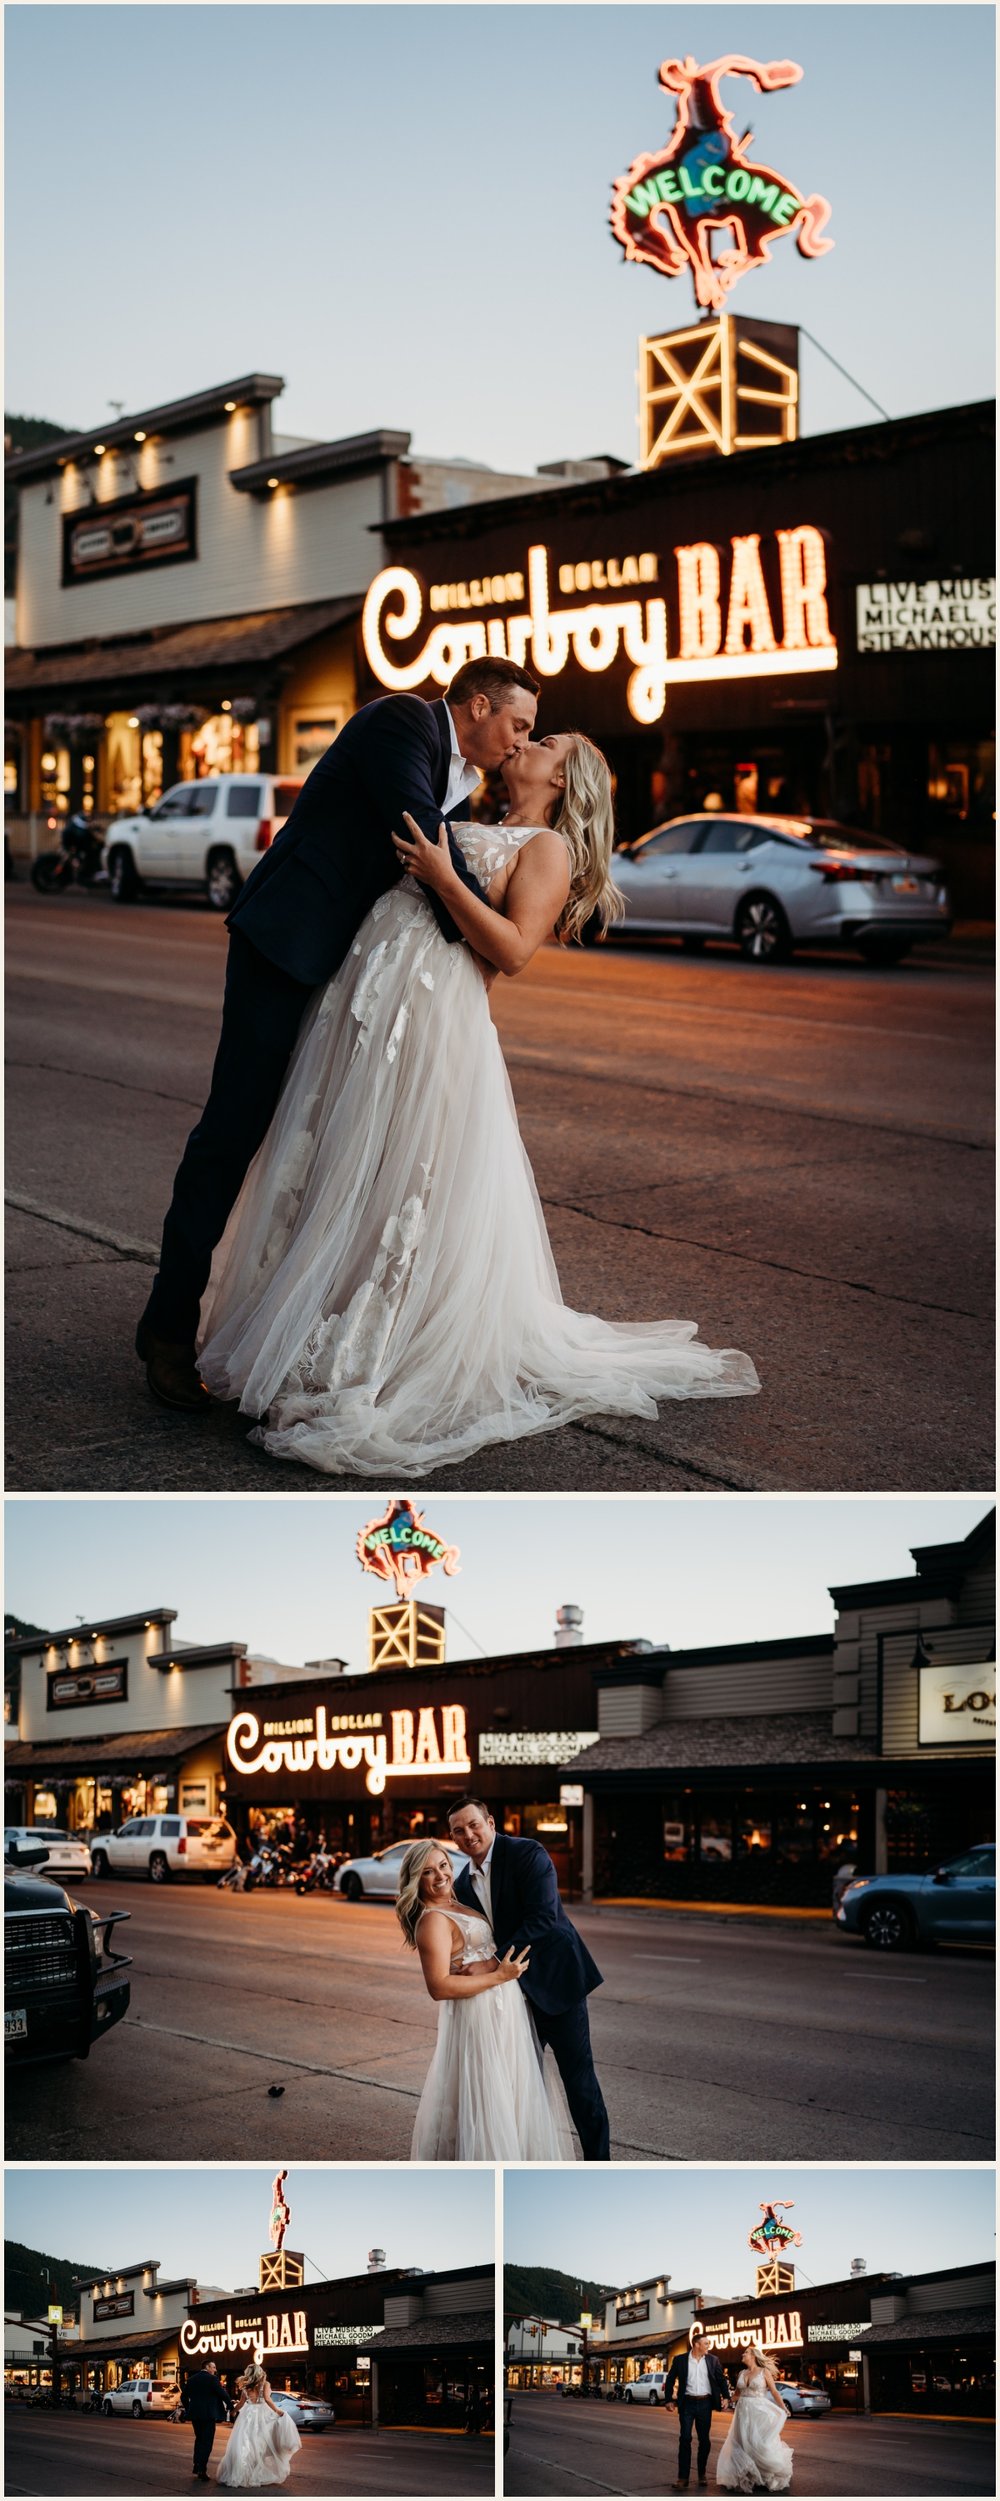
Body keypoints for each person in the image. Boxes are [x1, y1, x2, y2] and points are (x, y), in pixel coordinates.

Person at [195, 721, 759, 1477]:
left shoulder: (547, 849)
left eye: (544, 742)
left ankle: (370, 1345)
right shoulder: (477, 819)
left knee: (400, 1180)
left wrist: (442, 874)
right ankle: (301, 1316)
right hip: (369, 1000)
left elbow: (516, 950)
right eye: (526, 729)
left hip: (431, 1016)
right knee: (340, 1165)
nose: (526, 744)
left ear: (563, 780)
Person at [136, 657, 538, 1411]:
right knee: (235, 1130)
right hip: (286, 945)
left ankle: (269, 1321)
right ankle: (164, 1326)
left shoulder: (460, 769)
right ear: (477, 705)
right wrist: (495, 936)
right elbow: (421, 841)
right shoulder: (401, 723)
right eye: (517, 725)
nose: (519, 744)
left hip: (343, 965)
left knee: (311, 1139)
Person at [447, 1795, 610, 2161]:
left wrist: (490, 1963)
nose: (468, 1834)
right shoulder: (462, 1884)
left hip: (557, 1986)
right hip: (511, 1999)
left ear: (490, 1823)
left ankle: (600, 2168)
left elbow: (543, 1918)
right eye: (459, 1831)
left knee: (581, 2087)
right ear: (454, 1839)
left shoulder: (527, 1853)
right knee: (523, 2088)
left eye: (474, 1824)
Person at [396, 1837, 575, 2160]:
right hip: (477, 2017)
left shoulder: (459, 1902)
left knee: (511, 2093)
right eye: (427, 1872)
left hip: (505, 2014)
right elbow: (439, 1987)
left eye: (443, 1865)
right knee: (486, 2098)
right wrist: (499, 1976)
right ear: (414, 1880)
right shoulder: (433, 1920)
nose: (440, 1876)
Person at [716, 2344, 793, 2494]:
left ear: (753, 2356)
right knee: (742, 2443)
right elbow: (737, 2394)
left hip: (759, 2411)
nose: (742, 2354)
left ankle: (764, 2475)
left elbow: (774, 2392)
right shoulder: (742, 2373)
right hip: (742, 2412)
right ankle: (749, 2475)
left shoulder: (764, 2372)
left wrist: (783, 2407)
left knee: (758, 2442)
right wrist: (727, 2401)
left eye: (746, 2352)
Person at [664, 2330, 732, 2492]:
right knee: (685, 2438)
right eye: (706, 2343)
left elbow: (721, 2380)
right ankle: (683, 2478)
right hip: (687, 2404)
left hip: (705, 2404)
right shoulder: (680, 2360)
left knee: (704, 2440)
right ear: (696, 2344)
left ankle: (701, 2473)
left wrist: (726, 2397)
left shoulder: (713, 2360)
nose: (709, 2346)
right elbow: (670, 2378)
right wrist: (668, 2400)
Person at [216, 2360, 301, 2489]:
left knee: (245, 2443)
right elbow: (267, 2399)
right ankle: (254, 2474)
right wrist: (277, 2411)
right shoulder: (265, 2384)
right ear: (259, 2372)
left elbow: (241, 2403)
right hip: (262, 2415)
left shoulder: (246, 2386)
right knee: (261, 2445)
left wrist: (233, 2412)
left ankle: (243, 2473)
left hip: (247, 2414)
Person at [182, 2358, 229, 2484]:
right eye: (213, 2367)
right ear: (207, 2367)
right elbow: (222, 2394)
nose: (215, 2370)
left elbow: (183, 2397)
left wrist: (189, 2409)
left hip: (195, 2416)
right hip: (208, 2416)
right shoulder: (212, 2379)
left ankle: (197, 2466)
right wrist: (231, 2406)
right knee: (207, 2443)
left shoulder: (191, 2379)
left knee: (199, 2440)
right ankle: (202, 2469)